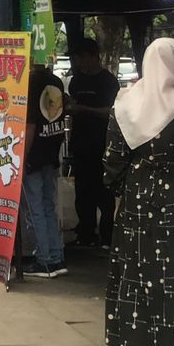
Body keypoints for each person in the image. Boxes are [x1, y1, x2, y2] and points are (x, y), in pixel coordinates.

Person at [103, 38, 174, 346]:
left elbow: (112, 160)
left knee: (133, 269)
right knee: (170, 274)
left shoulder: (126, 104)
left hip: (137, 195)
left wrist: (121, 191)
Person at [66, 37, 120, 249]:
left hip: (102, 144)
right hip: (80, 144)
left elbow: (112, 112)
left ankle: (107, 236)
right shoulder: (76, 80)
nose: (79, 63)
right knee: (82, 192)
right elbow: (73, 104)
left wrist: (85, 110)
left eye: (80, 58)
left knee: (104, 193)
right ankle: (86, 233)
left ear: (91, 56)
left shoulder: (108, 81)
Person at [21, 59, 68, 278]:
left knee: (35, 208)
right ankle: (56, 257)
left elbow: (30, 125)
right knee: (49, 206)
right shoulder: (56, 81)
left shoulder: (29, 83)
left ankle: (45, 260)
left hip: (35, 154)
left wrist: (24, 155)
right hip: (51, 151)